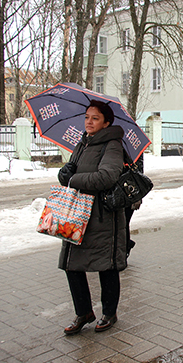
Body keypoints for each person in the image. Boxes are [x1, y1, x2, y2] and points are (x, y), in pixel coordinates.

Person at [58, 100, 126, 335]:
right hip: (77, 213)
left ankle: (110, 312)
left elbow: (106, 177)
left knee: (105, 265)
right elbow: (73, 170)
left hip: (102, 216)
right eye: (87, 117)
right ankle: (84, 311)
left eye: (95, 118)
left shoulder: (112, 145)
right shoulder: (83, 143)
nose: (89, 121)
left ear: (106, 122)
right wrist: (64, 173)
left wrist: (72, 179)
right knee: (71, 264)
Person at [124, 154, 143, 258]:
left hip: (128, 191)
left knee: (123, 222)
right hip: (111, 191)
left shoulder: (132, 149)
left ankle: (124, 249)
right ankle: (126, 245)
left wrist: (137, 196)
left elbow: (138, 171)